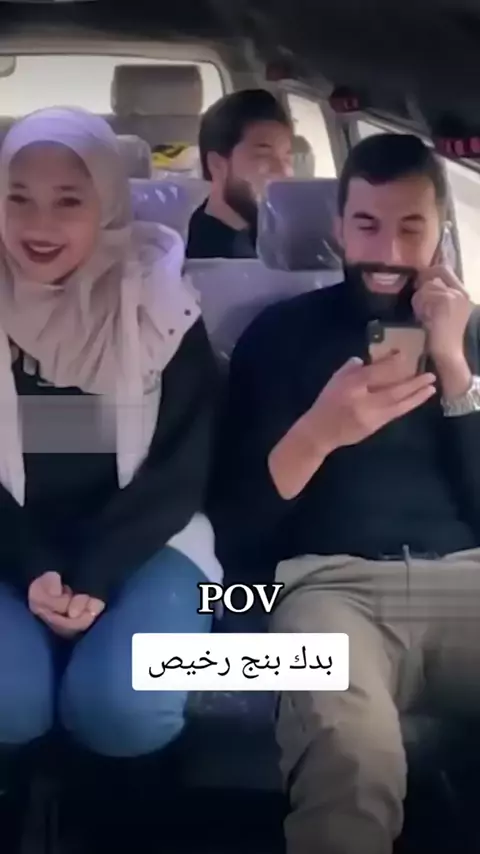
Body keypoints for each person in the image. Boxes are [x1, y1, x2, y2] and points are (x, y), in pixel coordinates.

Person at [208, 133, 480, 854]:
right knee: (348, 754)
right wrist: (320, 434)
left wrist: (454, 367)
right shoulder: (276, 336)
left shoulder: (470, 334)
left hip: (467, 582)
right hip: (327, 588)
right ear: (338, 226)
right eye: (367, 224)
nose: (387, 250)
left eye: (411, 228)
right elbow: (233, 530)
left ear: (441, 232)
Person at [0, 107, 221, 767]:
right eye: (18, 198)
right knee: (8, 700)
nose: (39, 224)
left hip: (148, 540)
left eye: (69, 200)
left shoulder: (163, 306)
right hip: (10, 542)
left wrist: (96, 574)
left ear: (108, 206)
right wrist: (34, 565)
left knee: (123, 705)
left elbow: (182, 470)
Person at [186, 89, 294, 259]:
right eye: (263, 155)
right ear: (216, 164)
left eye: (287, 157)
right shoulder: (202, 252)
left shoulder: (273, 236)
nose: (283, 171)